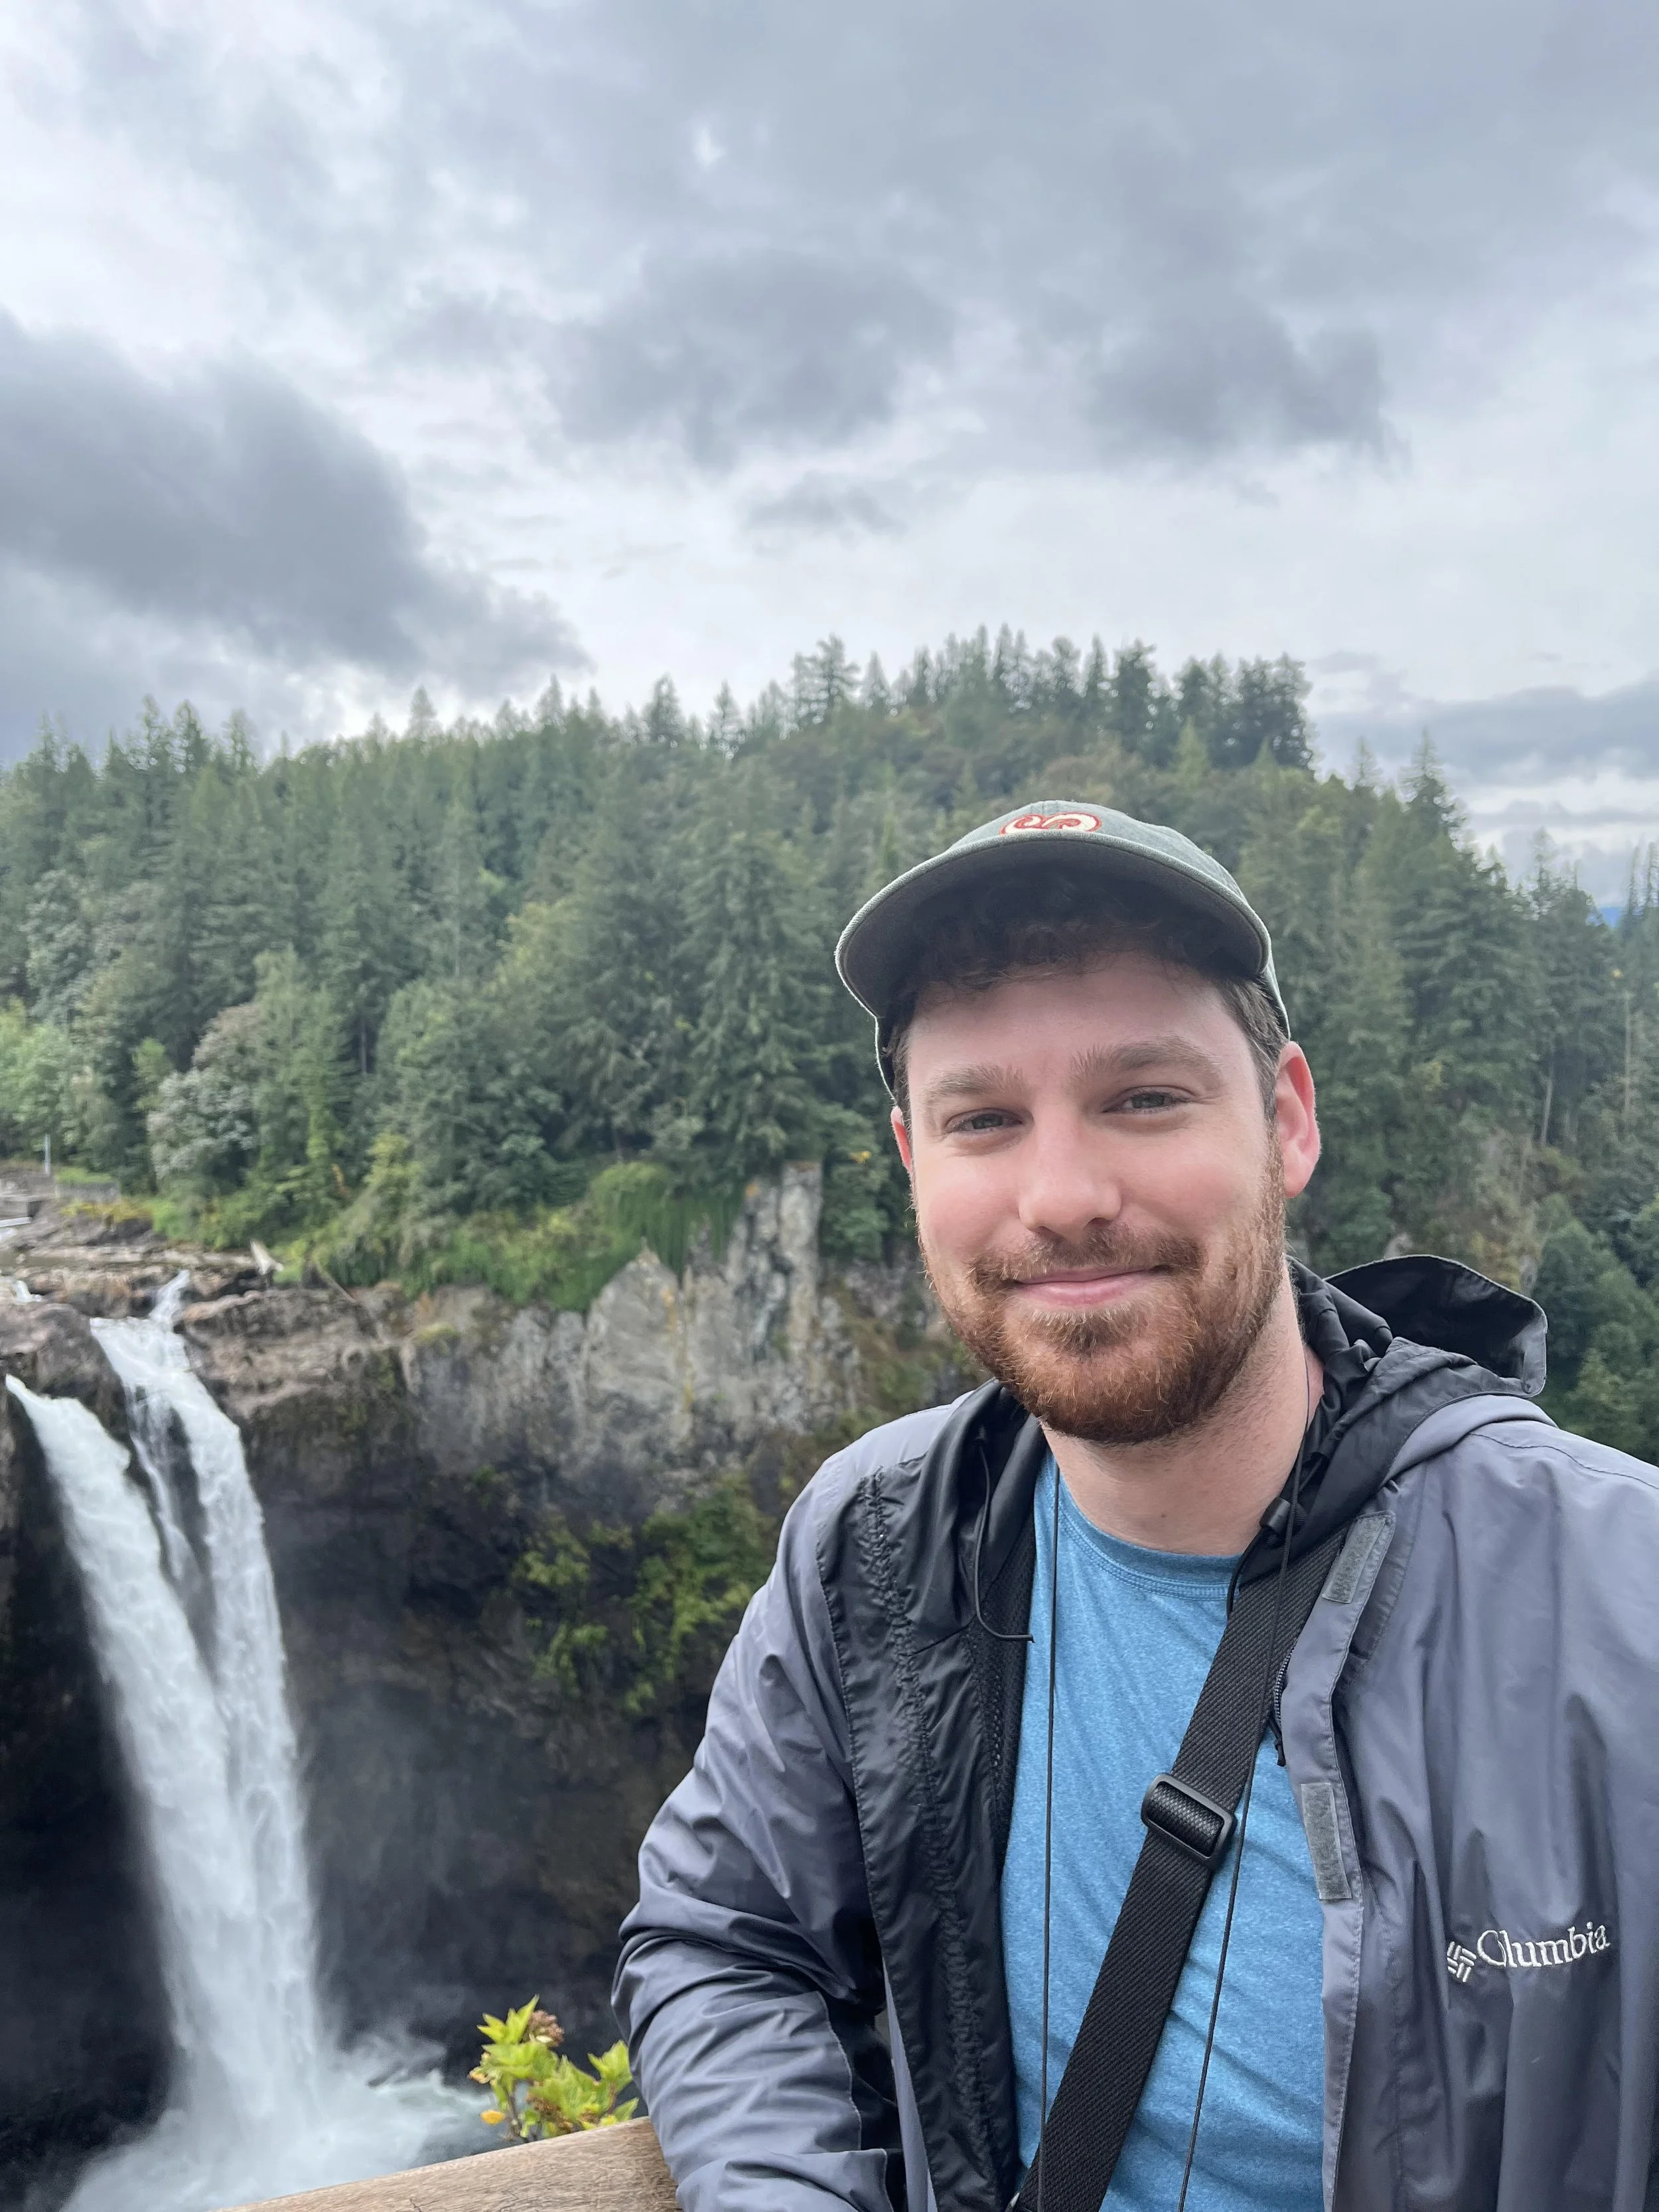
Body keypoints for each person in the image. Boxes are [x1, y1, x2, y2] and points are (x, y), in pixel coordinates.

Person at [613, 802, 1659, 2211]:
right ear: (914, 1161)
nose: (1061, 1195)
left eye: (1143, 1098)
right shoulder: (870, 1546)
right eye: (982, 1118)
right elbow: (722, 1933)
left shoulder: (1611, 1588)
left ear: (1284, 1118)